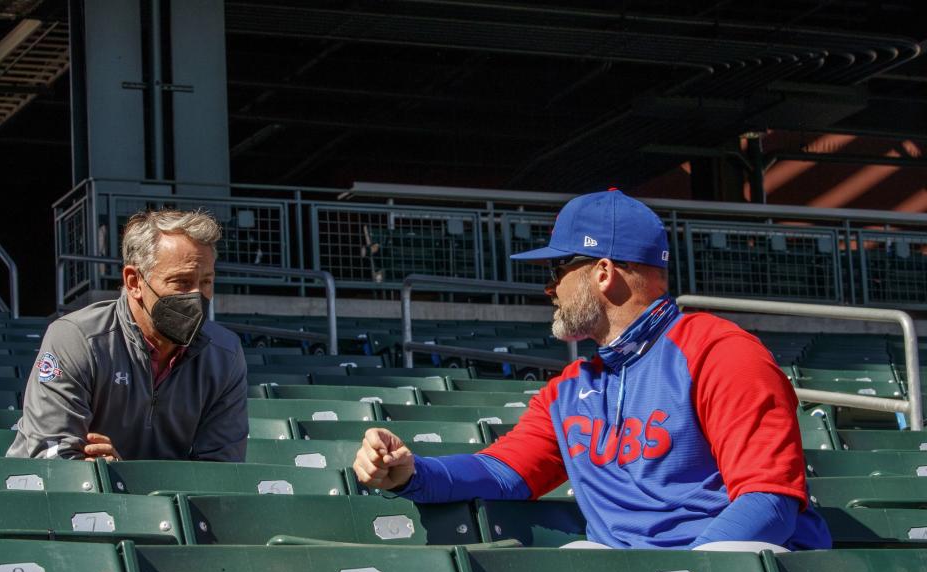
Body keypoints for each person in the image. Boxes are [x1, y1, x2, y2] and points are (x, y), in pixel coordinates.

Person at [354, 189, 831, 550]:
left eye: (557, 270)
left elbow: (767, 502)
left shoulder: (721, 353)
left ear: (602, 273)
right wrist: (411, 473)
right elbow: (504, 473)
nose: (550, 289)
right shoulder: (571, 389)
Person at [7, 209, 248, 462]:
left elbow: (222, 470)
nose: (197, 296)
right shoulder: (77, 338)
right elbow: (54, 458)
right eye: (182, 282)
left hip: (156, 498)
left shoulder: (225, 353)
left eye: (207, 282)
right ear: (134, 282)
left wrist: (125, 479)